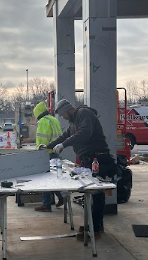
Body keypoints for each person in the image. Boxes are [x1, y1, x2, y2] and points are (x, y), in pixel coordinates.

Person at [45, 99, 116, 239]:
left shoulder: (84, 113)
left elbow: (85, 133)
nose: (64, 118)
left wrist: (64, 145)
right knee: (90, 193)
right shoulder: (73, 122)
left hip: (97, 159)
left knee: (95, 193)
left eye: (63, 115)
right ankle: (95, 224)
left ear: (67, 110)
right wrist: (48, 147)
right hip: (88, 159)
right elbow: (64, 136)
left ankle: (94, 229)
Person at [33, 101, 64, 212]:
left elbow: (43, 139)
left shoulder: (43, 121)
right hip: (55, 152)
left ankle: (46, 204)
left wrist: (39, 149)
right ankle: (61, 197)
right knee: (55, 176)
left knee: (45, 178)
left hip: (46, 153)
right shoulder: (54, 119)